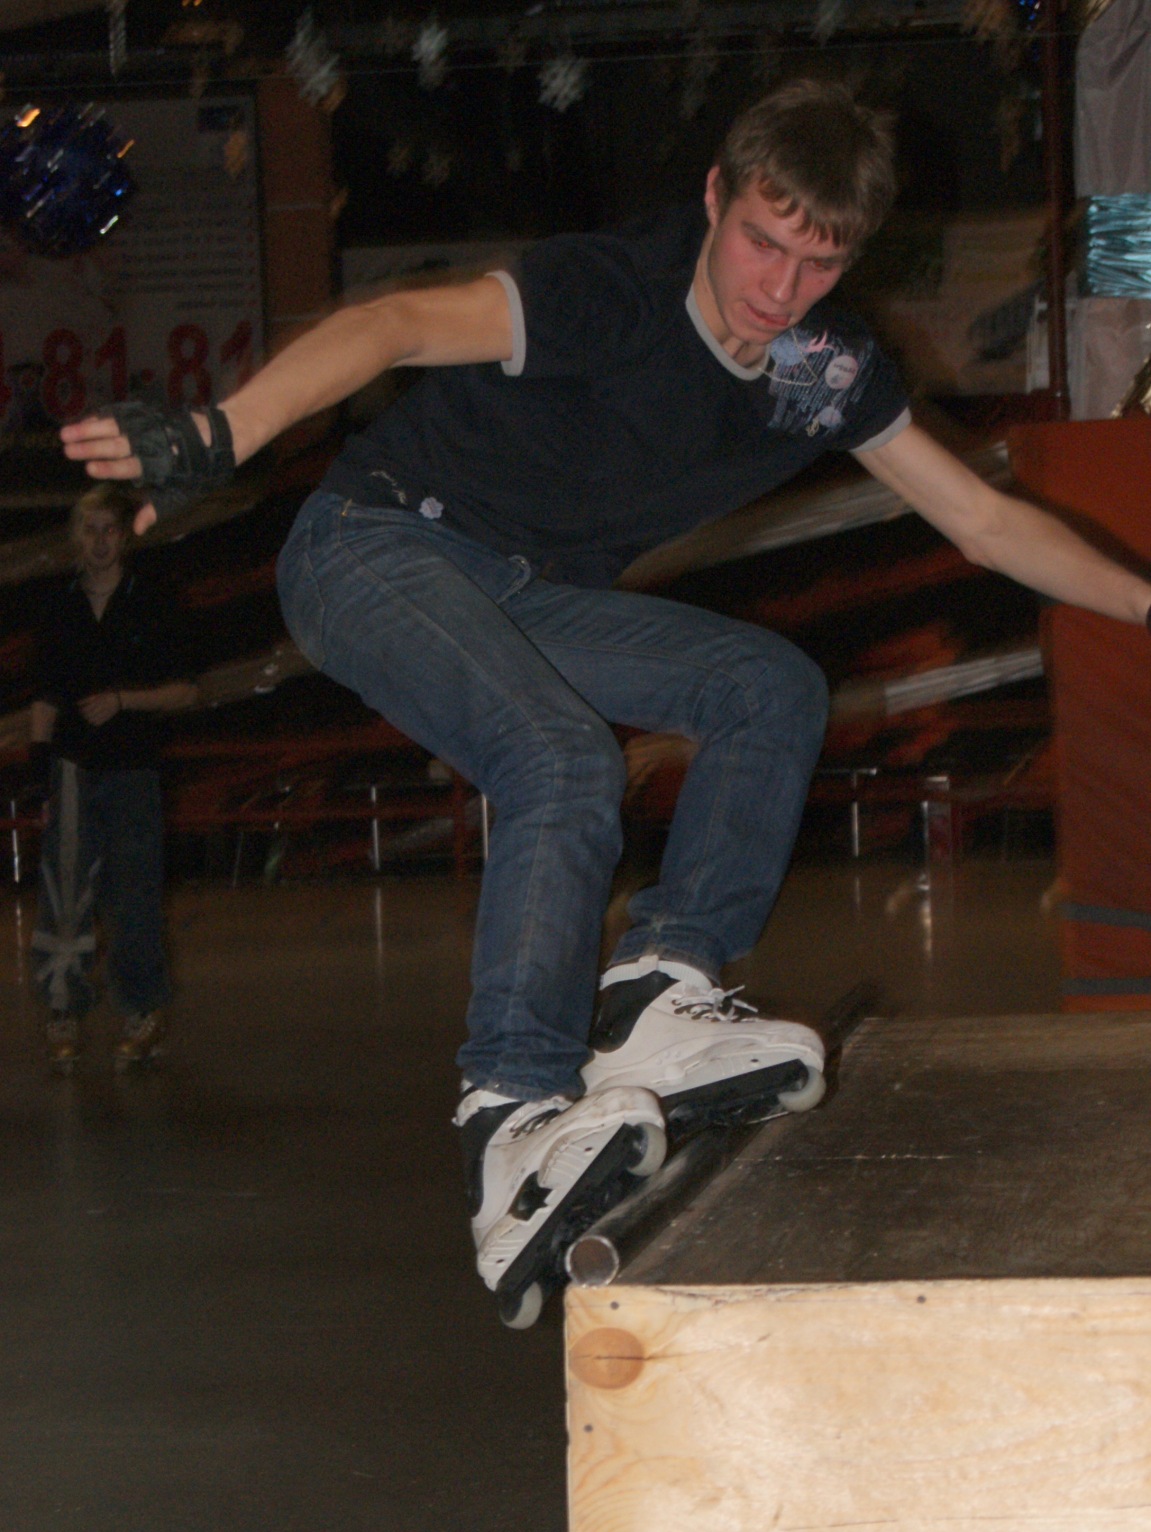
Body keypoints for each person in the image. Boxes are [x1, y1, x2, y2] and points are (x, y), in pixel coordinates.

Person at [60, 81, 1151, 1320]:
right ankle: (510, 1110)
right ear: (713, 199)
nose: (776, 291)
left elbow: (983, 520)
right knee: (561, 756)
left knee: (765, 686)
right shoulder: (613, 289)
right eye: (759, 243)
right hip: (373, 545)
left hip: (524, 596)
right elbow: (395, 323)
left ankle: (657, 993)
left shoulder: (820, 368)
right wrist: (220, 430)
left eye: (816, 264)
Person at [28, 484, 199, 1073]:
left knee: (135, 895)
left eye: (109, 530)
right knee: (64, 894)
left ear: (124, 537)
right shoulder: (58, 607)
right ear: (76, 538)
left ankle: (142, 1012)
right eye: (90, 529)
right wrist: (41, 779)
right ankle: (62, 1009)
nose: (99, 541)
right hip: (72, 772)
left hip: (133, 771)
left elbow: (186, 691)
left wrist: (124, 700)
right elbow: (44, 699)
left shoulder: (152, 600)